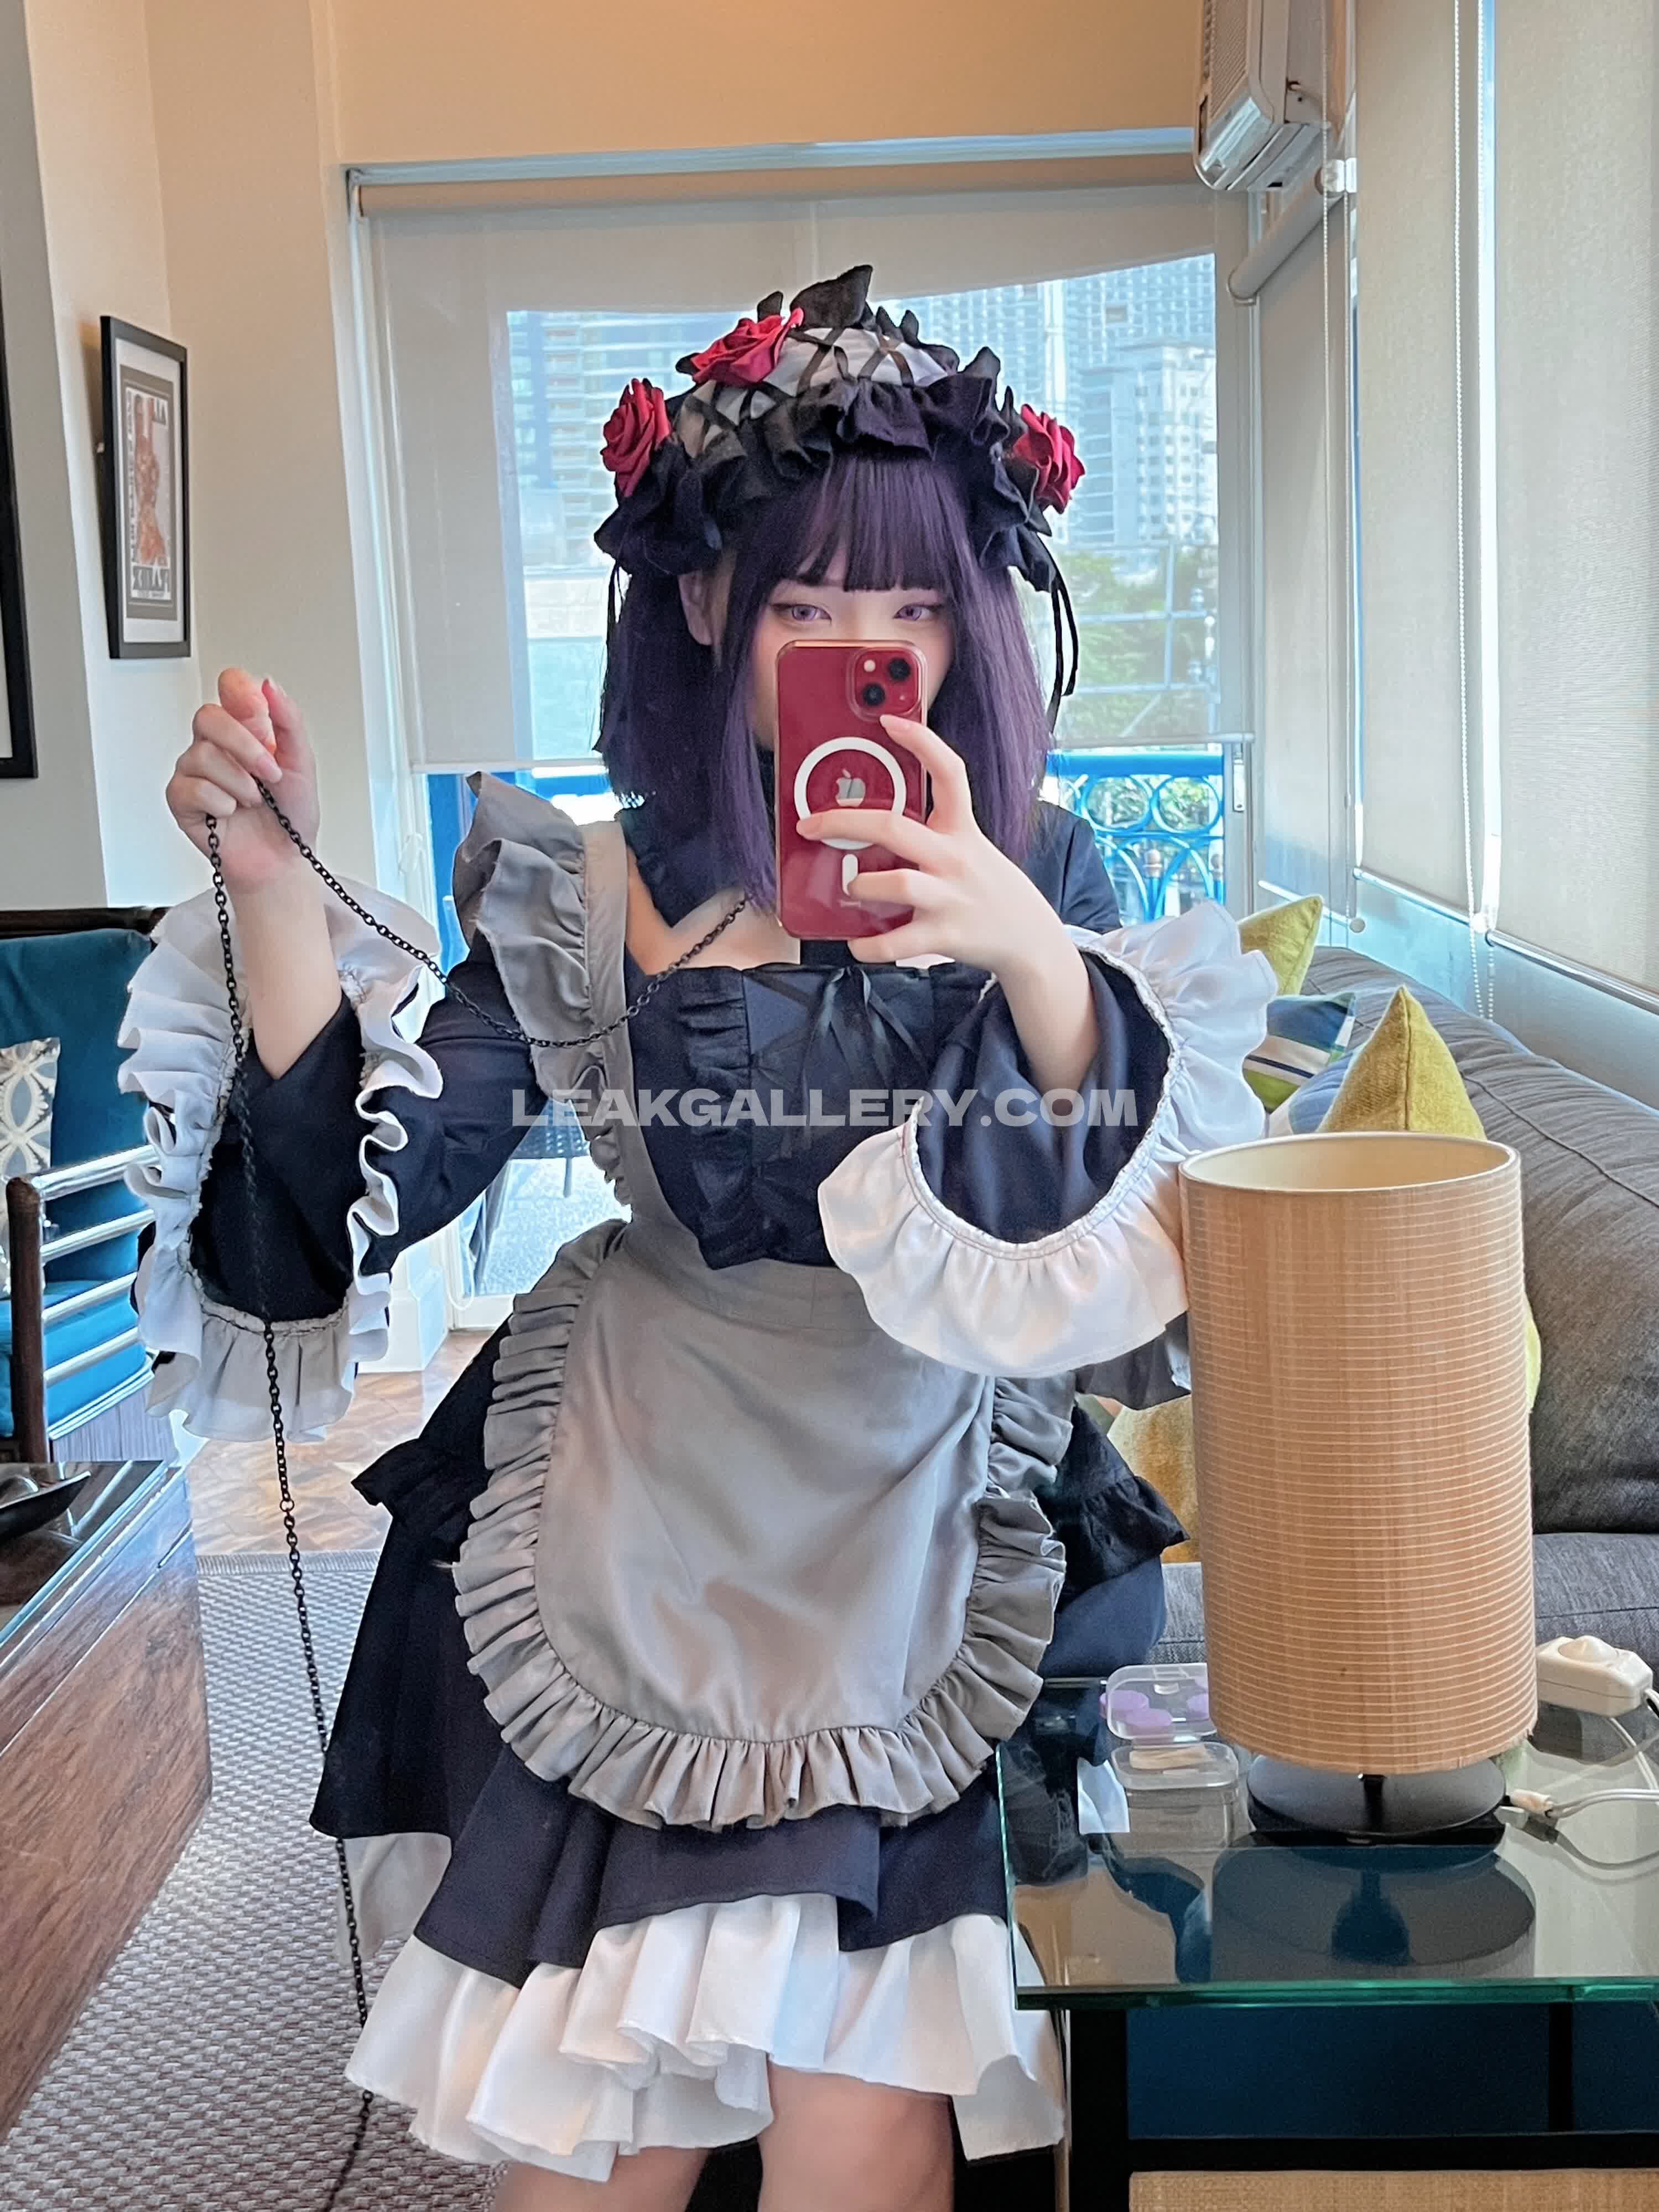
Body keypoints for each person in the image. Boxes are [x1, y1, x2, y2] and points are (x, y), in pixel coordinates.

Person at [121, 268, 1274, 2211]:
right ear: (710, 604)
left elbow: (1095, 1263)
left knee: (862, 2115)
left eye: (913, 605)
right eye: (807, 602)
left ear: (974, 619)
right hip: (641, 1490)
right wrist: (273, 894)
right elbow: (363, 1200)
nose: (866, 649)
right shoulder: (585, 885)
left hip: (925, 1485)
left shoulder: (1047, 873)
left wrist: (1022, 949)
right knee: (606, 2120)